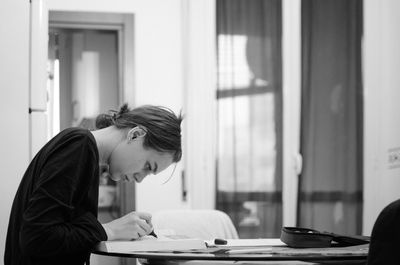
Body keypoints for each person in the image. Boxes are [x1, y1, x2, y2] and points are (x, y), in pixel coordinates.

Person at [4, 104, 183, 265]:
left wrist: (116, 232)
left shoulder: (85, 153)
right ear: (135, 134)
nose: (139, 179)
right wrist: (109, 230)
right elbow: (37, 237)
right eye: (147, 166)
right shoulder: (79, 145)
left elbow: (60, 234)